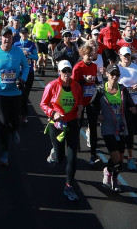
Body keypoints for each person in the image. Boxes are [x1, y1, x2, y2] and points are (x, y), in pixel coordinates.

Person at [0, 27, 29, 167]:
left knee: (15, 119)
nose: (7, 39)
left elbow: (26, 67)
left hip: (15, 92)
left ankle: (15, 129)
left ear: (12, 39)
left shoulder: (18, 52)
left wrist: (22, 79)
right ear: (0, 37)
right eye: (4, 36)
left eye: (9, 37)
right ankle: (4, 153)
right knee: (3, 121)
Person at [40, 60, 83, 202]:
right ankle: (54, 153)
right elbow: (43, 104)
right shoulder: (52, 86)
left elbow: (80, 100)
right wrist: (53, 114)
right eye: (64, 71)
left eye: (69, 71)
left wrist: (81, 107)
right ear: (59, 72)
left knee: (72, 158)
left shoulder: (76, 86)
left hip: (72, 124)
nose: (66, 74)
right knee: (59, 159)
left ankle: (69, 186)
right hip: (57, 125)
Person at [90, 63, 135, 193]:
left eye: (117, 75)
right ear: (107, 74)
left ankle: (115, 178)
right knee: (115, 157)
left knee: (121, 158)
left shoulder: (123, 89)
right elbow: (92, 105)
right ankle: (107, 171)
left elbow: (131, 103)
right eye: (112, 74)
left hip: (121, 126)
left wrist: (132, 108)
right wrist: (97, 115)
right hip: (108, 127)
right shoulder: (100, 90)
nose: (114, 77)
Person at [117, 47, 137, 170]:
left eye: (128, 55)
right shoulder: (117, 69)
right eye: (124, 55)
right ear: (120, 56)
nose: (126, 57)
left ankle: (129, 156)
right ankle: (124, 157)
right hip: (122, 105)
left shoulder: (136, 68)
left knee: (132, 132)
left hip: (135, 104)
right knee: (123, 133)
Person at [73, 45, 101, 165]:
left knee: (93, 126)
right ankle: (75, 146)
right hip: (80, 101)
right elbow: (73, 85)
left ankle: (93, 154)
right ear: (82, 55)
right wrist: (85, 80)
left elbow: (97, 82)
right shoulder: (78, 67)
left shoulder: (94, 66)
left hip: (91, 100)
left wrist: (99, 86)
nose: (90, 57)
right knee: (78, 124)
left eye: (92, 55)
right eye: (88, 55)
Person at [13, 28, 38, 123]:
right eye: (22, 33)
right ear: (19, 34)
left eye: (25, 33)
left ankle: (23, 114)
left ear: (28, 34)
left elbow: (36, 57)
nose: (24, 35)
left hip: (29, 72)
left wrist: (29, 54)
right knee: (19, 94)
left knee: (25, 94)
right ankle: (21, 113)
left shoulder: (31, 44)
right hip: (18, 71)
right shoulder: (16, 44)